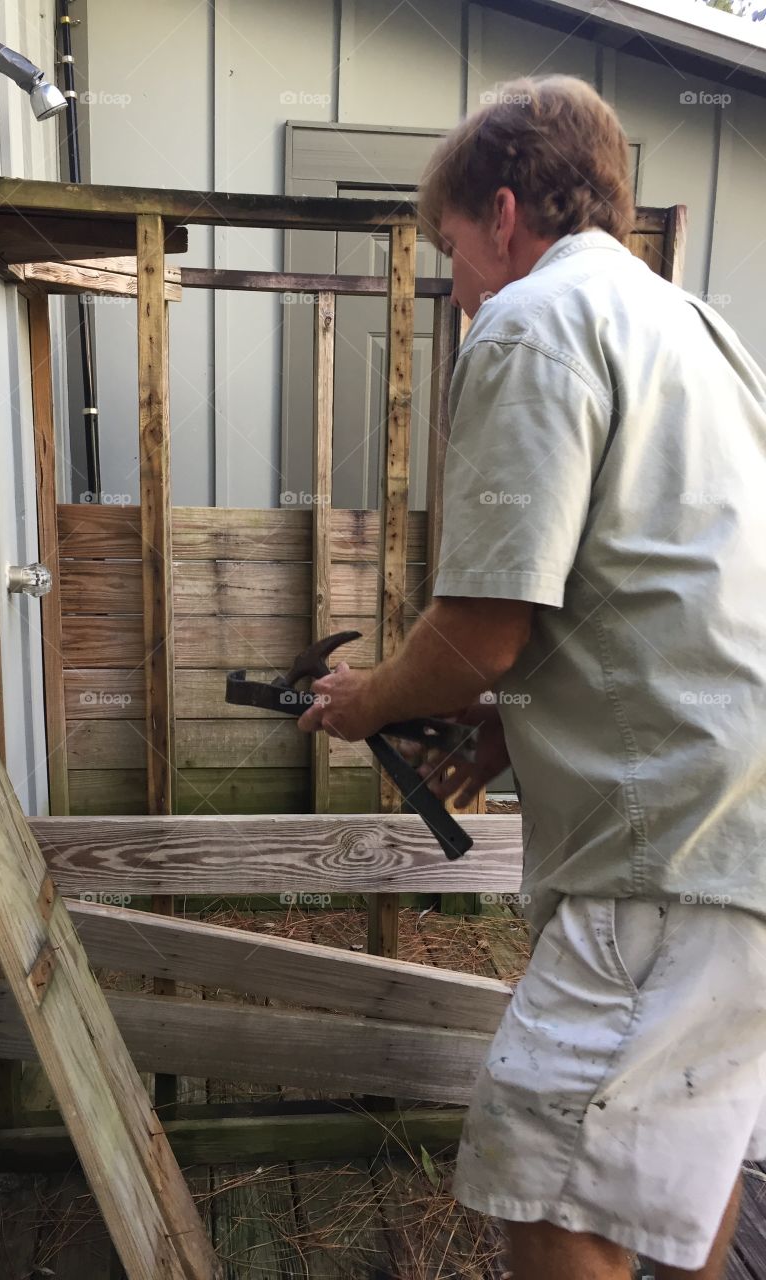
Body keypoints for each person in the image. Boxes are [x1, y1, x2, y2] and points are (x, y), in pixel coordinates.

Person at [296, 74, 766, 1279]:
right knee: (675, 1166)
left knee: (541, 1171)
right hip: (743, 829)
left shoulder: (533, 321)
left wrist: (370, 700)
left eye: (451, 248)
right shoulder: (702, 334)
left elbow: (482, 627)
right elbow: (671, 599)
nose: (454, 283)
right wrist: (521, 722)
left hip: (662, 841)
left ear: (503, 215)